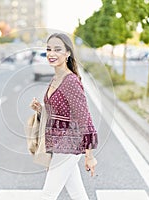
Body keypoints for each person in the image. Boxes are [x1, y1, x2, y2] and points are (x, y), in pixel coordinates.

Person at [30, 33, 98, 200]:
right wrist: (41, 110)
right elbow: (61, 113)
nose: (51, 54)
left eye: (57, 49)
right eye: (48, 49)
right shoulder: (57, 78)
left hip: (68, 145)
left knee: (47, 194)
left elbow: (85, 118)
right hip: (59, 144)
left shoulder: (70, 81)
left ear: (67, 53)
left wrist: (89, 156)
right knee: (78, 194)